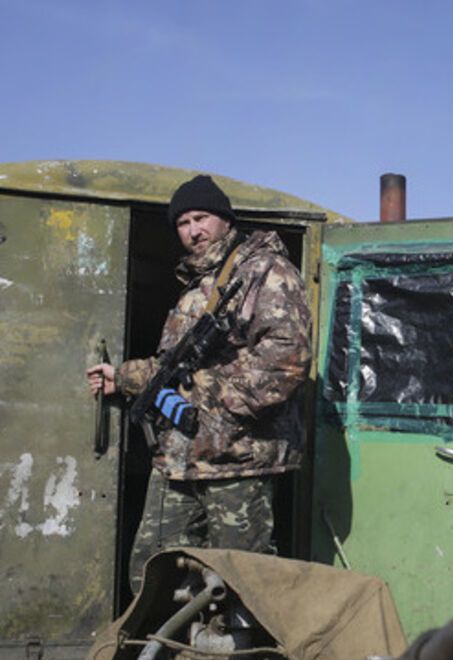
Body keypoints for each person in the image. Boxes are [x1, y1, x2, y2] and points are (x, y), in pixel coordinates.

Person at [86, 174, 311, 591]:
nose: (193, 231)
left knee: (240, 584)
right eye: (183, 223)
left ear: (225, 219)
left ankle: (233, 639)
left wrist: (209, 405)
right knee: (153, 574)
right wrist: (123, 377)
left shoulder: (265, 271)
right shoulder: (197, 285)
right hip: (179, 458)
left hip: (237, 461)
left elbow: (286, 362)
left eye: (201, 218)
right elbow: (173, 368)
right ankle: (173, 638)